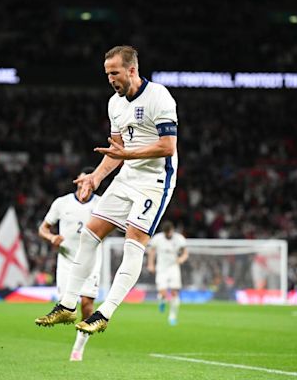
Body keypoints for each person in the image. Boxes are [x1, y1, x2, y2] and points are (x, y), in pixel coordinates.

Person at [35, 45, 179, 335]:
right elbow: (117, 150)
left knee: (133, 241)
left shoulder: (158, 96)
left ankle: (105, 312)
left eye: (115, 73)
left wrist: (128, 156)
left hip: (155, 182)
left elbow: (168, 146)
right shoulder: (114, 104)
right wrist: (95, 178)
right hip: (127, 176)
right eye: (107, 74)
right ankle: (66, 305)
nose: (111, 79)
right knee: (89, 232)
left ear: (132, 70)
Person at [36, 167, 102, 361]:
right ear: (77, 181)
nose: (84, 185)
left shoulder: (101, 204)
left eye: (89, 182)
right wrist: (51, 237)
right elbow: (43, 228)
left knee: (88, 306)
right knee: (67, 304)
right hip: (67, 261)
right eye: (82, 181)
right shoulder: (62, 203)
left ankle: (78, 348)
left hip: (91, 260)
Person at [146, 221, 188, 326]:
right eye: (167, 233)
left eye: (170, 232)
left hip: (173, 267)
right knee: (163, 293)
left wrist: (182, 258)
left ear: (172, 230)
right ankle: (162, 300)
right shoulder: (158, 238)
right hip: (161, 268)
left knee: (174, 292)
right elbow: (152, 251)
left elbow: (185, 252)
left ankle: (172, 316)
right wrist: (150, 264)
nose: (168, 234)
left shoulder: (179, 238)